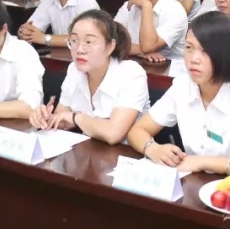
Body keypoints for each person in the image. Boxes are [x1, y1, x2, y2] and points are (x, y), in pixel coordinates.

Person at [127, 12, 230, 174]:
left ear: (227, 55)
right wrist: (153, 149)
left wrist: (202, 162)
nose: (194, 58)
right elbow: (137, 130)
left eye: (205, 51)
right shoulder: (183, 86)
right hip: (191, 183)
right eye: (189, 48)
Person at [29, 10, 149, 144]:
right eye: (74, 41)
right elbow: (63, 119)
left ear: (110, 46)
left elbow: (113, 134)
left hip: (125, 157)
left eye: (89, 42)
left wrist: (77, 118)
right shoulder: (74, 70)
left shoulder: (131, 74)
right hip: (89, 151)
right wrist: (47, 119)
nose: (79, 49)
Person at [113, 0, 188, 63]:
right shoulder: (129, 4)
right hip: (135, 62)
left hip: (169, 68)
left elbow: (148, 46)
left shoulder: (175, 10)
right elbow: (112, 41)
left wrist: (146, 6)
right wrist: (141, 51)